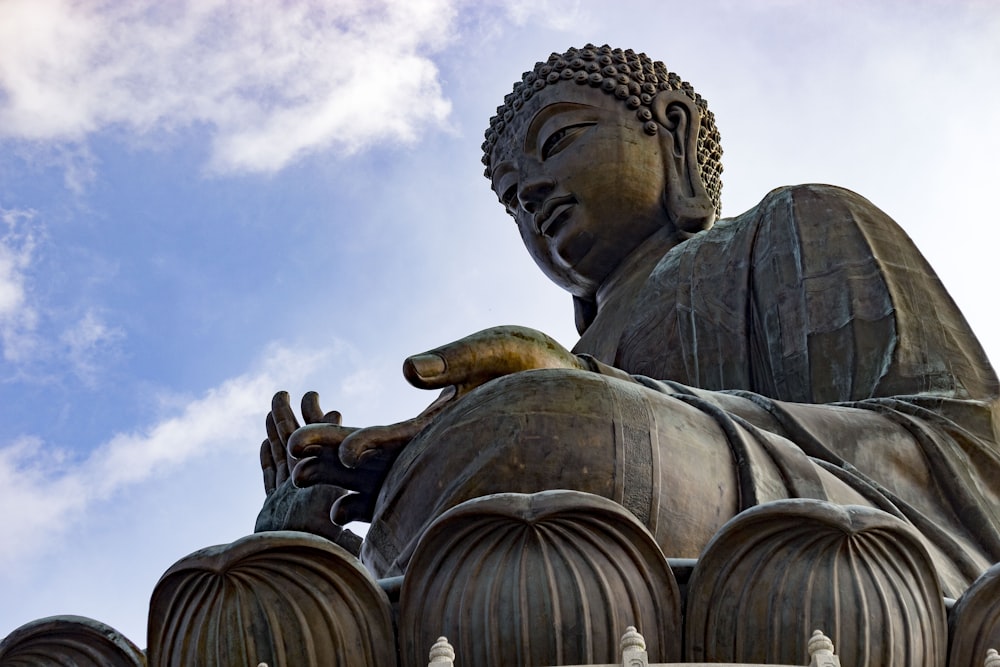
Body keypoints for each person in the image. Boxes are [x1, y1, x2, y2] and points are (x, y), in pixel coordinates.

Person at [257, 45, 1000, 599]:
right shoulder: (557, 365)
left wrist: (588, 397)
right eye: (513, 197)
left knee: (537, 423)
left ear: (671, 135)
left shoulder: (795, 224)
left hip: (837, 570)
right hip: (549, 582)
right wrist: (309, 537)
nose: (535, 194)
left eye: (558, 143)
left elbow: (963, 453)